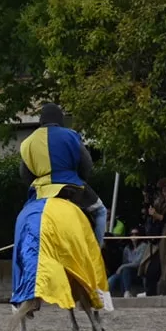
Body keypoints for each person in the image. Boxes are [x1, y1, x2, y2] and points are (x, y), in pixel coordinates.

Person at [19, 103, 108, 246]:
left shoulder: (28, 142)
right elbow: (87, 164)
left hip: (40, 190)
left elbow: (24, 174)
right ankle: (98, 250)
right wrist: (81, 179)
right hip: (71, 186)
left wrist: (36, 183)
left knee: (24, 219)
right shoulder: (71, 135)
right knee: (100, 211)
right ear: (60, 119)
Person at [107, 228, 148, 297]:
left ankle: (127, 292)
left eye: (136, 234)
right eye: (132, 234)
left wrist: (122, 267)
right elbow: (124, 262)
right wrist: (123, 267)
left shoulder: (143, 246)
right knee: (112, 278)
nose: (134, 236)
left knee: (125, 270)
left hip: (138, 272)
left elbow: (137, 263)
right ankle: (106, 295)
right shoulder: (127, 248)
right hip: (127, 272)